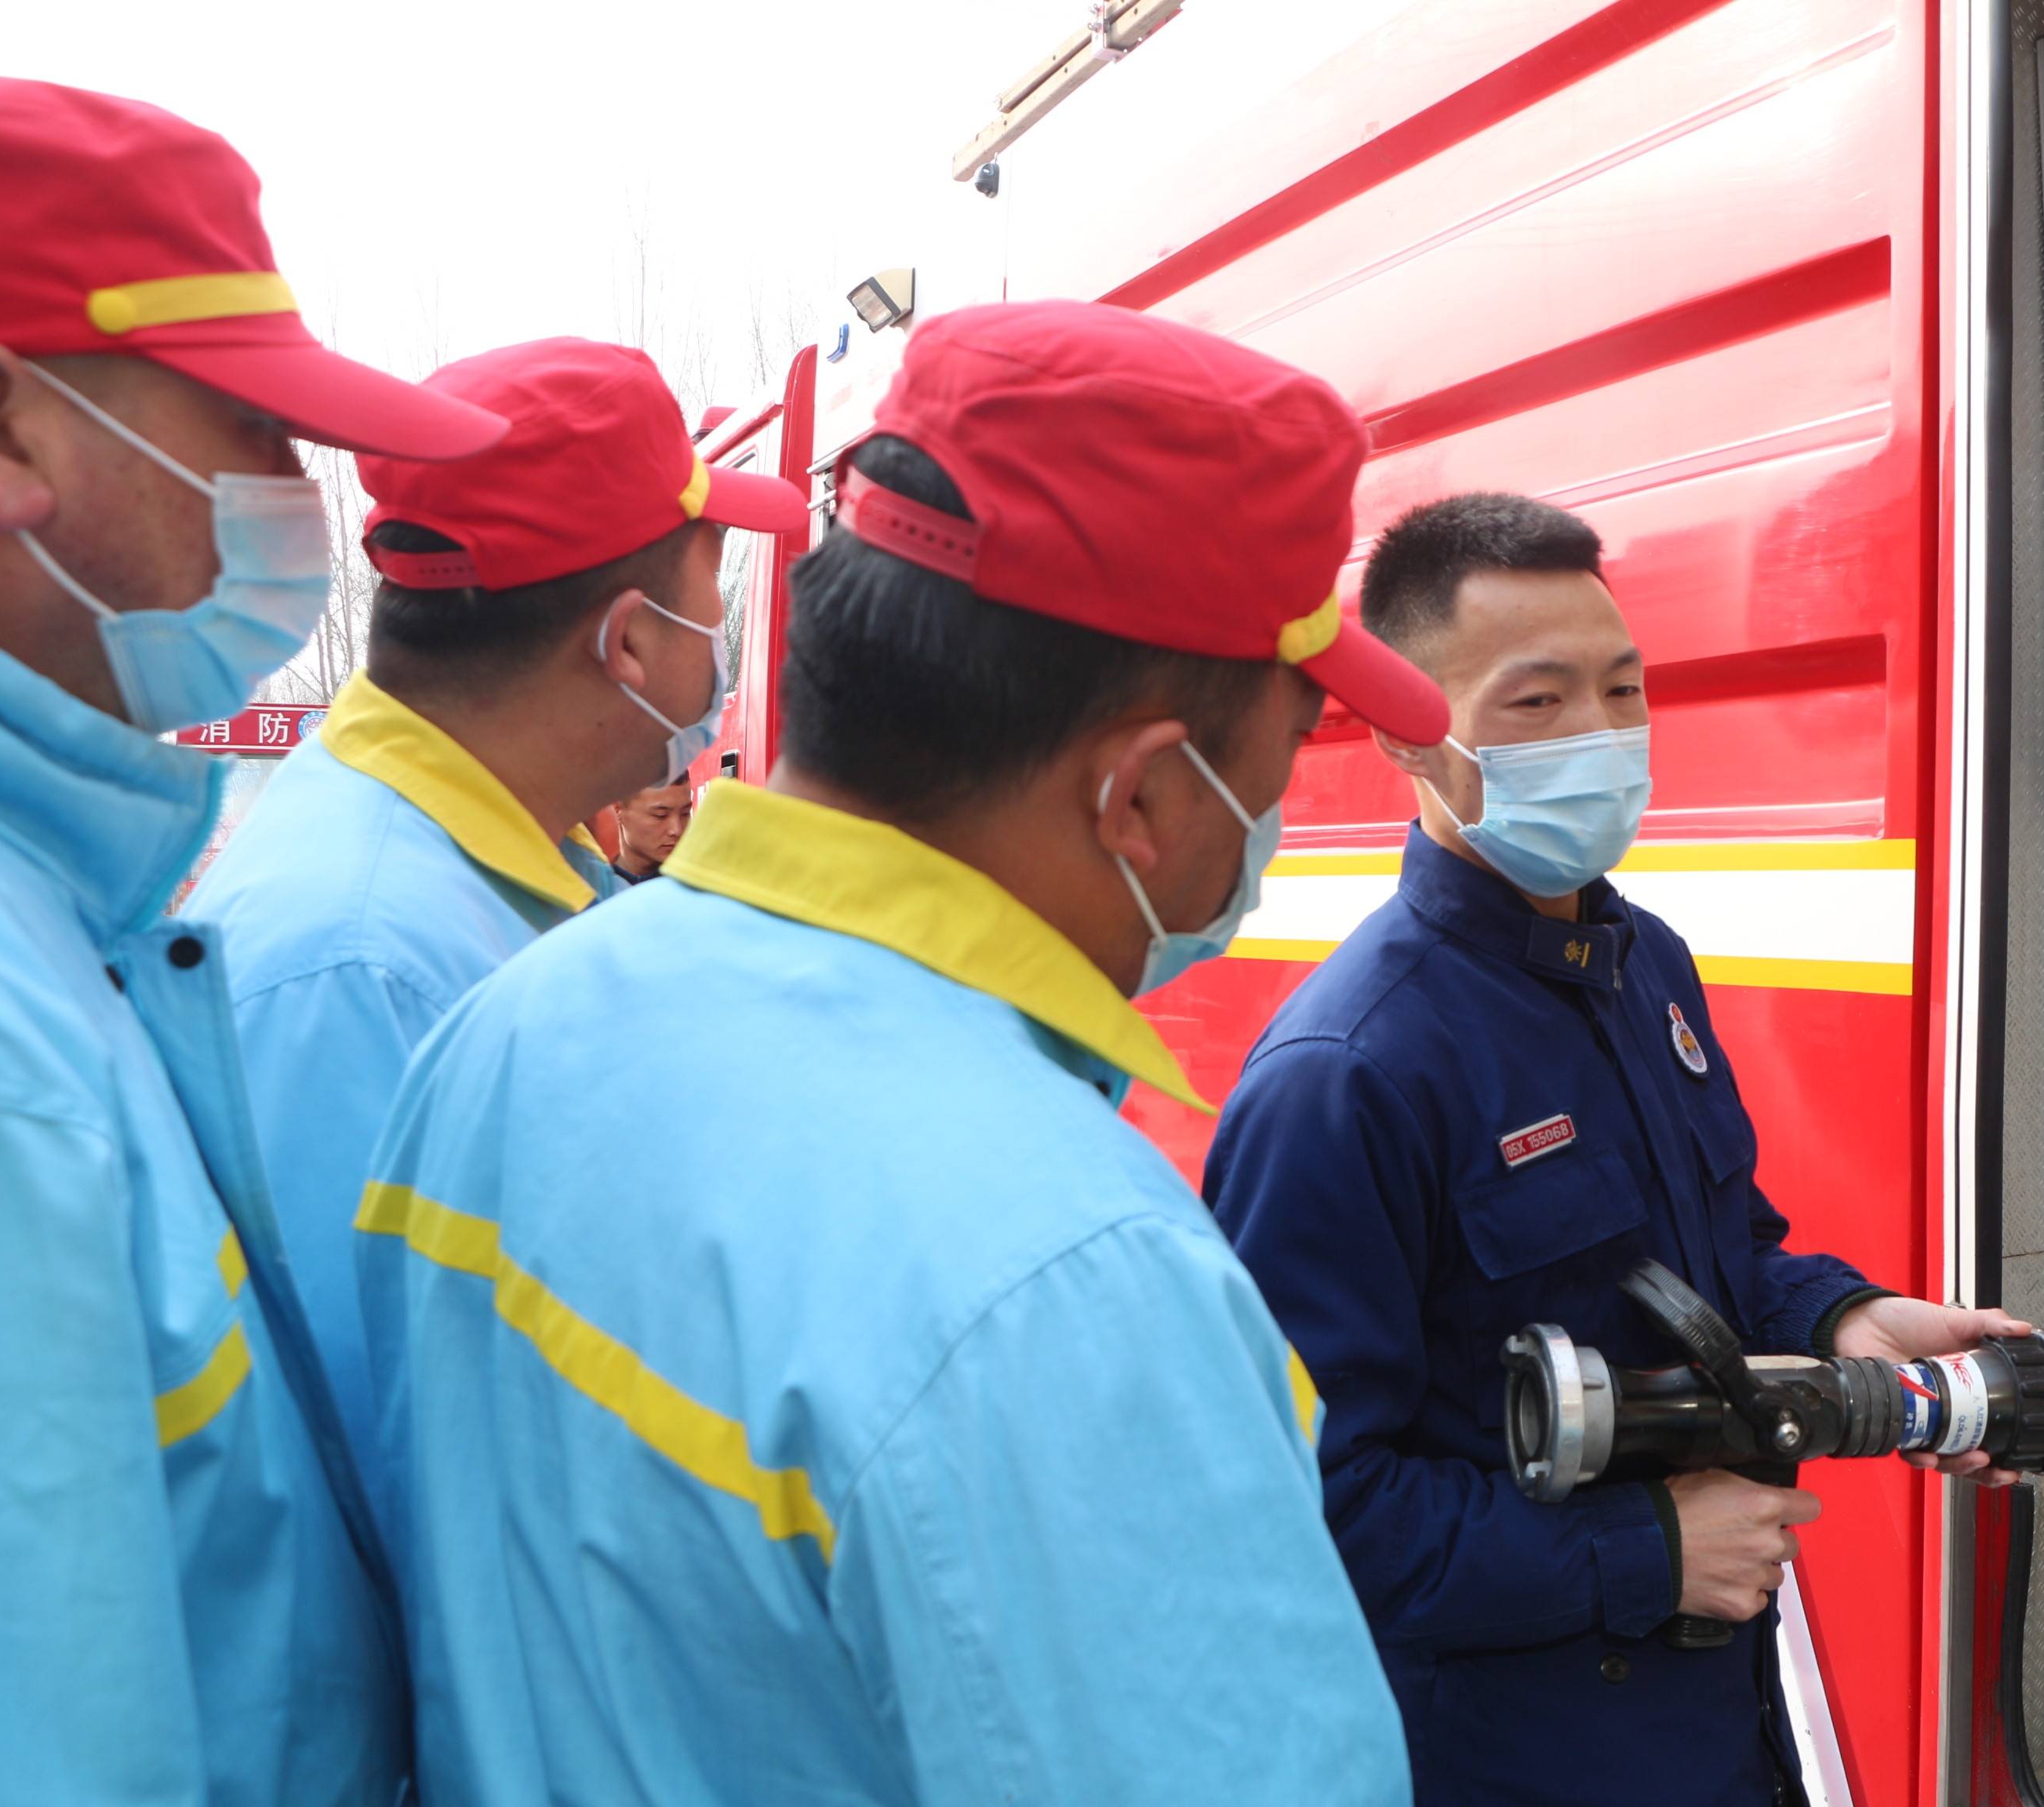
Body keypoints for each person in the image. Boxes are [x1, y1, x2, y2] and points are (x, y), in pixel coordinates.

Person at [352, 300, 1448, 1802]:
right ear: (1140, 799)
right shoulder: (1068, 1277)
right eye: (1290, 747)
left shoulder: (516, 1018)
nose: (1274, 819)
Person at [1204, 493, 2033, 1807]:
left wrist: (1846, 1315)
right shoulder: (1347, 1073)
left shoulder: (1645, 964)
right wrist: (1643, 1550)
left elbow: (1715, 1255)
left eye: (1625, 687)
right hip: (1509, 1751)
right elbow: (1304, 1506)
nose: (1600, 735)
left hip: (1717, 1724)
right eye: (1536, 703)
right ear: (1406, 734)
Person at [0, 79, 507, 1800]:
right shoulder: (14, 1069)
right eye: (246, 426)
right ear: (5, 430)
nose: (296, 500)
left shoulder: (68, 913)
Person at [191, 337, 802, 1471]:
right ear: (628, 642)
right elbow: (394, 1468)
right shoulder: (362, 966)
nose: (724, 634)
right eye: (714, 578)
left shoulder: (496, 865)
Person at [610, 776, 693, 883]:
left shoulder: (703, 889)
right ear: (617, 809)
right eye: (660, 816)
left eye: (685, 814)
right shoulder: (590, 890)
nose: (677, 830)